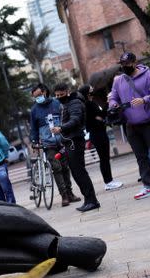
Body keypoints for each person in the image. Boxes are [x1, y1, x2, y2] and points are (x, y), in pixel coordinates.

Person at [108, 52, 150, 199]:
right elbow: (113, 96)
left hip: (149, 122)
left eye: (127, 64)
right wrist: (113, 104)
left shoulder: (148, 75)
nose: (124, 67)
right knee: (141, 157)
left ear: (134, 62)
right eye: (122, 65)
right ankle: (148, 186)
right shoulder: (119, 80)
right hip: (131, 125)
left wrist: (144, 100)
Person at [29, 83, 81, 207]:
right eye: (35, 97)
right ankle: (64, 195)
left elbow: (66, 119)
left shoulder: (57, 103)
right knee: (57, 168)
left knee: (65, 167)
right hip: (48, 144)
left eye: (39, 95)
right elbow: (34, 129)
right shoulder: (34, 110)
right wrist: (34, 141)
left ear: (45, 92)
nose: (38, 98)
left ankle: (70, 193)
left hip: (62, 141)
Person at [53, 83, 100, 212]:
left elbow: (75, 120)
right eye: (56, 95)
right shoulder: (67, 103)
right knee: (76, 172)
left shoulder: (74, 103)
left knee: (79, 172)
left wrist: (61, 128)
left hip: (75, 141)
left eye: (61, 95)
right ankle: (88, 200)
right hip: (70, 141)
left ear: (67, 92)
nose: (58, 97)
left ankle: (92, 200)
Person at [79, 84, 123, 191]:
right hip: (97, 133)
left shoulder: (92, 102)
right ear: (86, 93)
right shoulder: (88, 104)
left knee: (105, 158)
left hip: (100, 132)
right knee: (104, 158)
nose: (93, 90)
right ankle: (108, 182)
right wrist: (108, 103)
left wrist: (101, 115)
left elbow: (100, 116)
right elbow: (100, 116)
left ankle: (109, 180)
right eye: (91, 90)